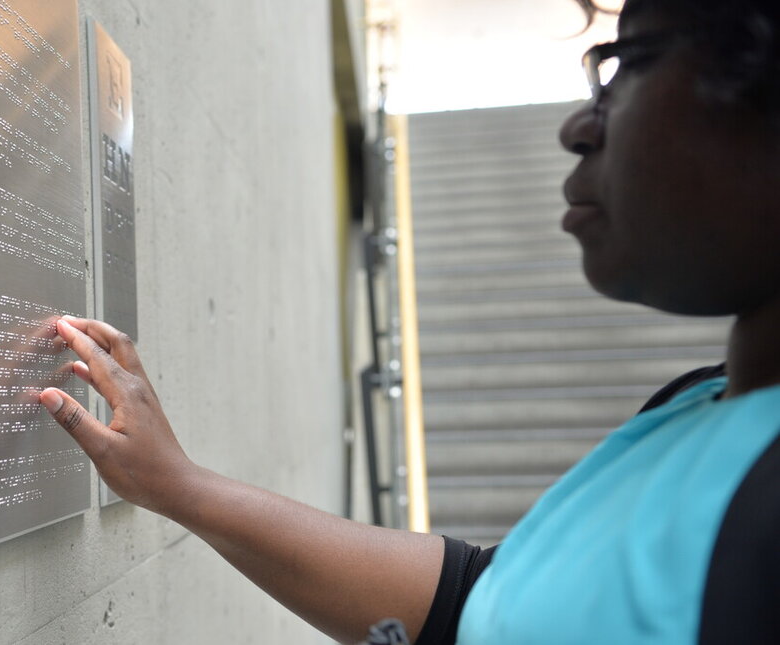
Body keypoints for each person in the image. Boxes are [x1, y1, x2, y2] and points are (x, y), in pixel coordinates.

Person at [38, 0, 780, 641]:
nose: (581, 126)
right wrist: (180, 485)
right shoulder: (691, 407)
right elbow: (474, 605)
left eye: (630, 60)